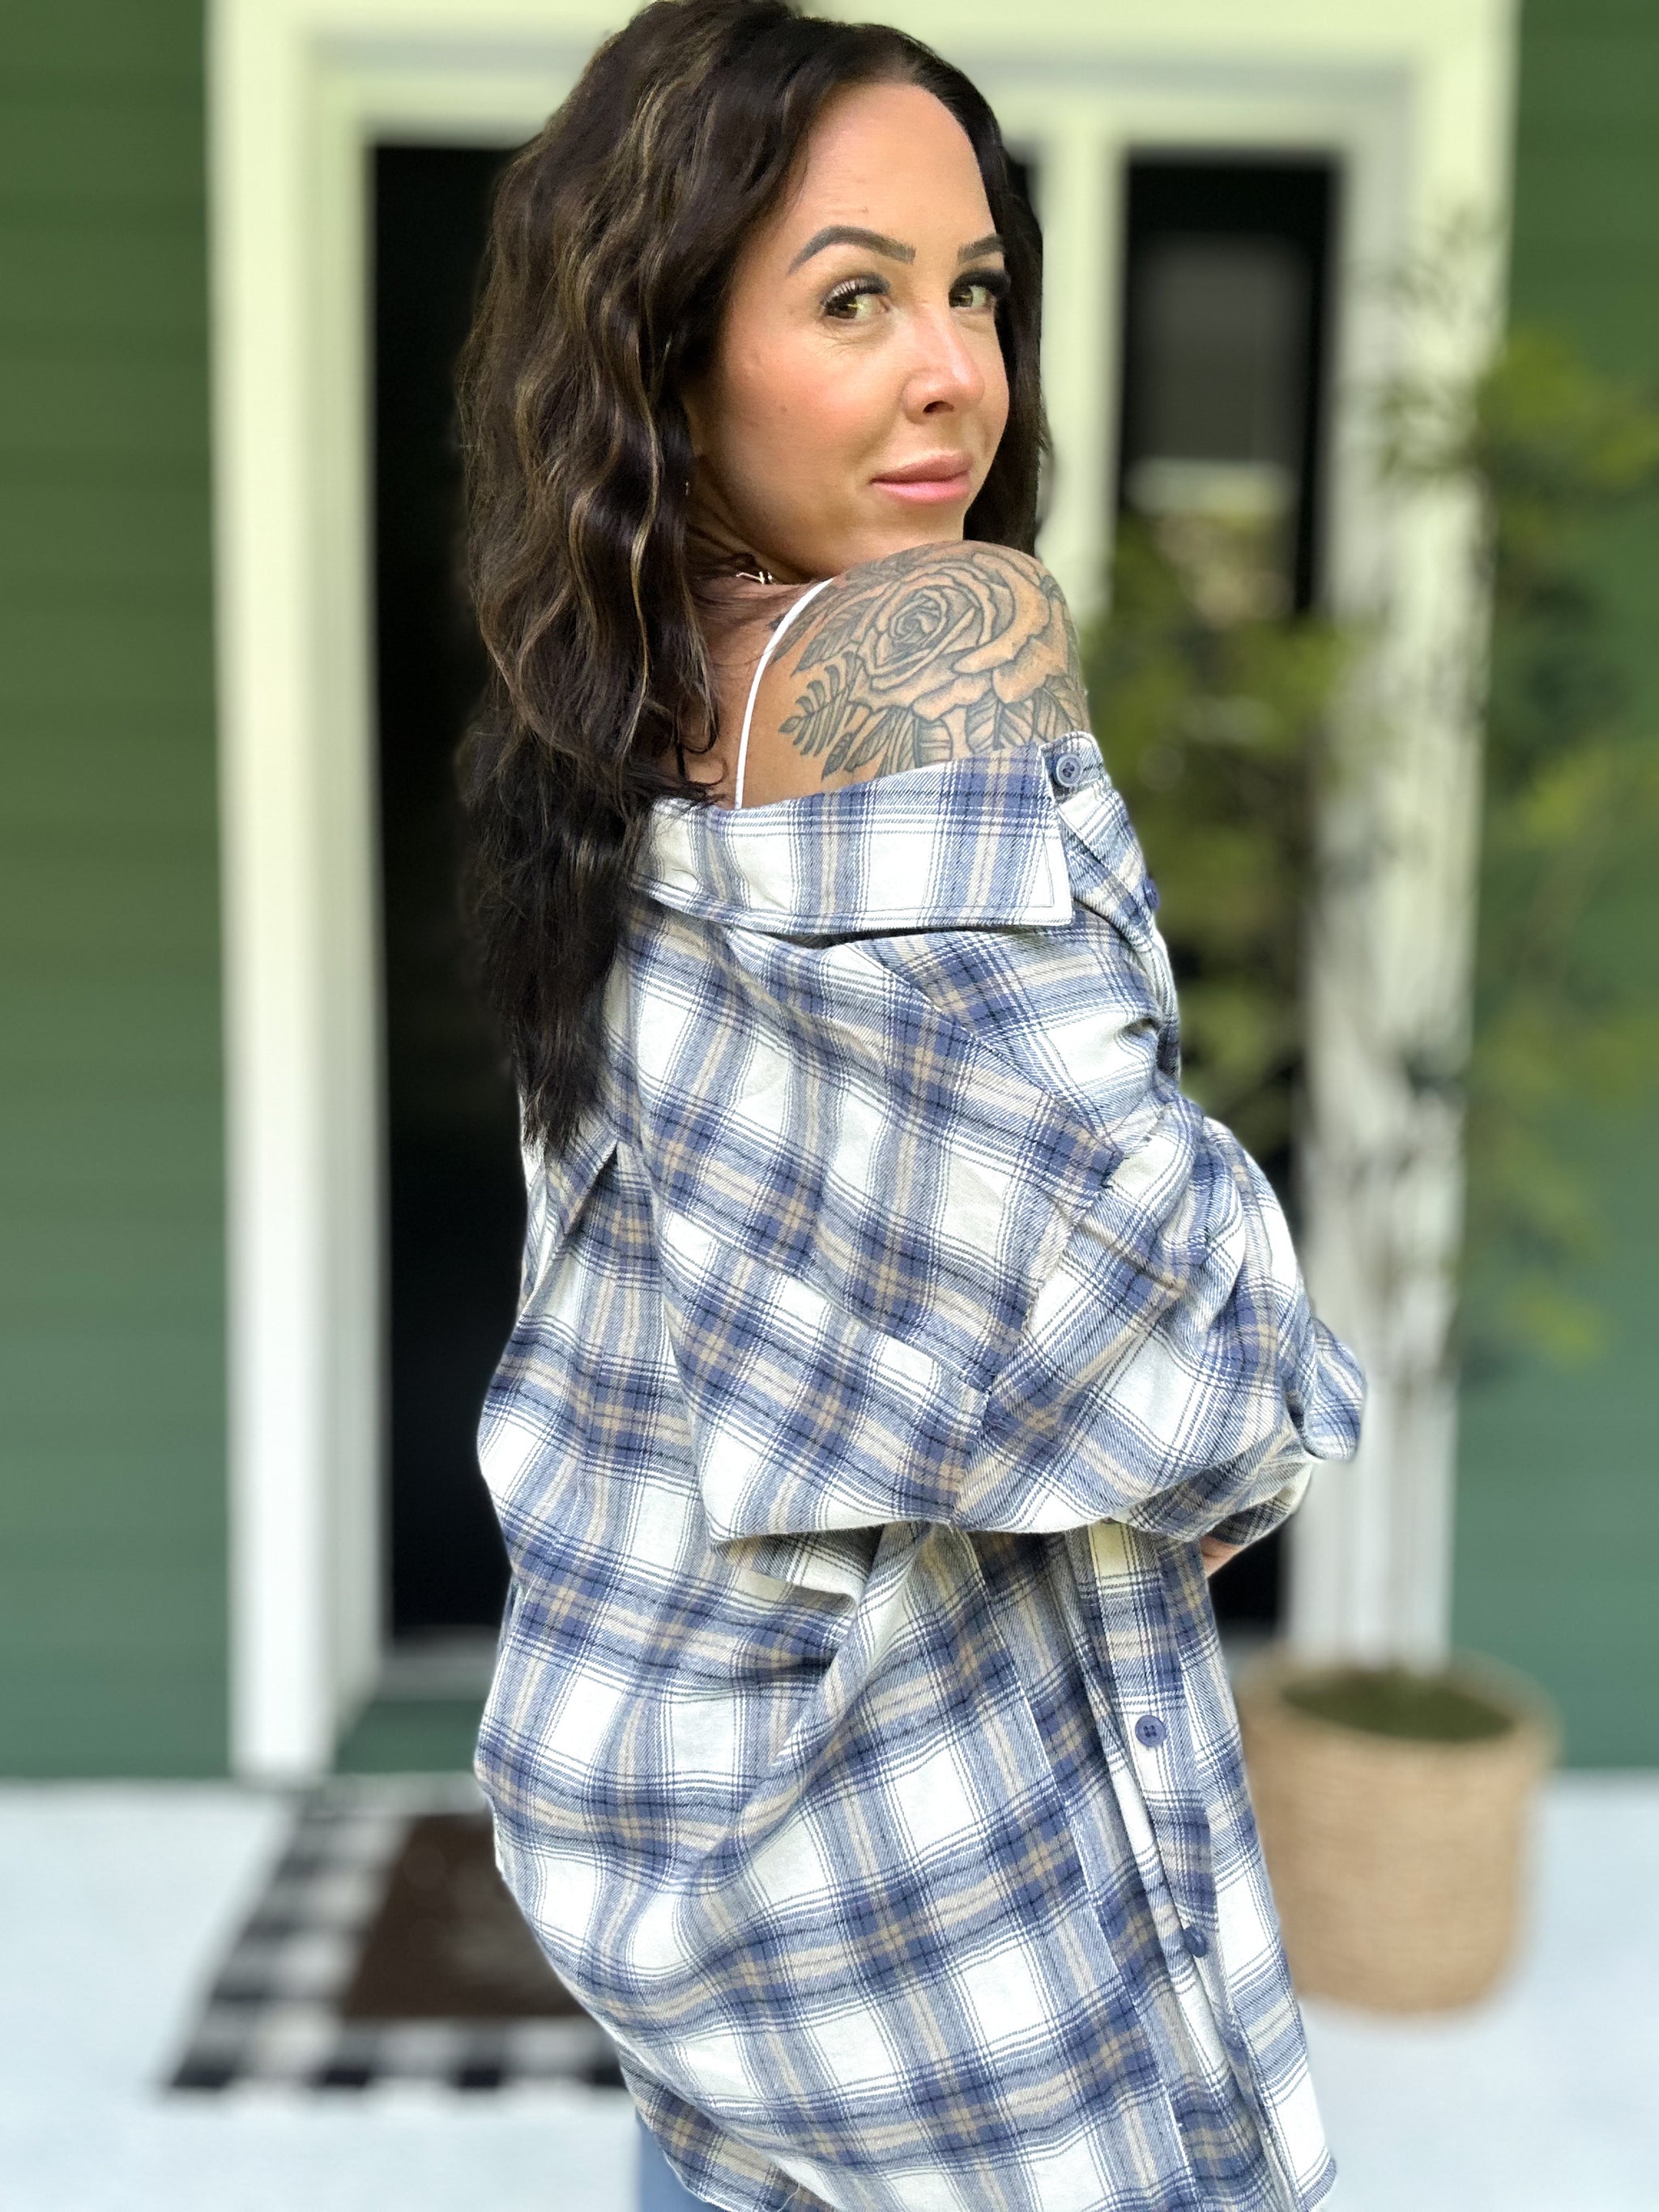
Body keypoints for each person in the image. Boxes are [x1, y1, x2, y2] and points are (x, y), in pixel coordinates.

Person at [456, 3, 1364, 2207]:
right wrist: (1268, 1364)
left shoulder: (611, 711)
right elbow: (1179, 1373)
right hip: (938, 1959)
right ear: (671, 350)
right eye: (853, 299)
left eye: (976, 290)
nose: (959, 373)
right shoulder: (924, 652)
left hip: (733, 1937)